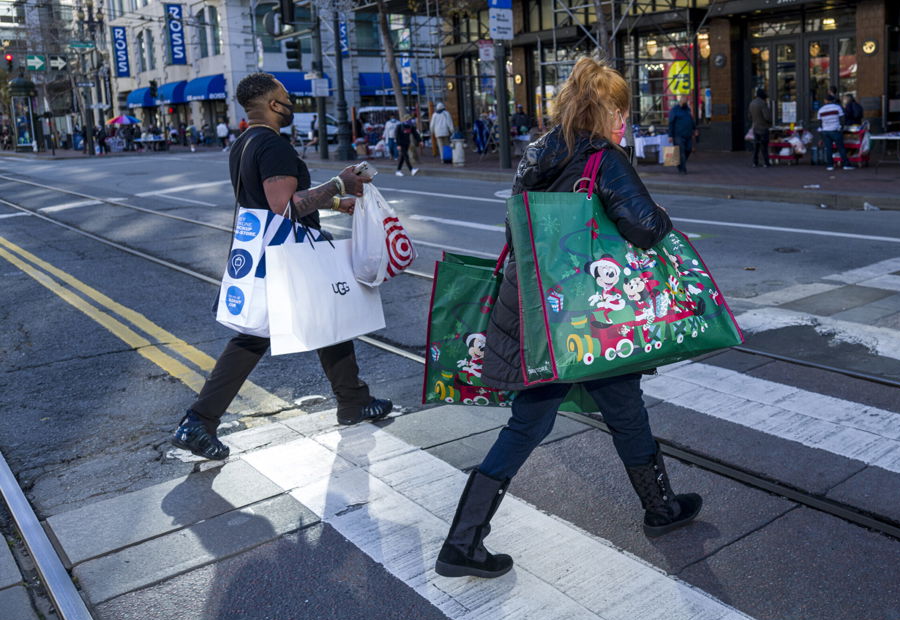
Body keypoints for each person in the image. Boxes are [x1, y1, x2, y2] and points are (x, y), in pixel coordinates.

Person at [435, 57, 702, 580]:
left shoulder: (538, 153)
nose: (626, 120)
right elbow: (646, 229)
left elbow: (518, 229)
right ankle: (660, 508)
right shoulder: (606, 158)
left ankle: (463, 541)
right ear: (607, 109)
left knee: (532, 422)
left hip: (537, 308)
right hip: (589, 315)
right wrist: (662, 213)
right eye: (622, 109)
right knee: (625, 412)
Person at [170, 72, 393, 461]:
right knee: (253, 337)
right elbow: (285, 206)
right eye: (286, 98)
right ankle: (198, 422)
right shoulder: (273, 146)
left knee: (328, 315)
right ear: (273, 104)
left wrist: (337, 205)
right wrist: (339, 186)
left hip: (265, 247)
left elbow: (272, 200)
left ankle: (353, 400)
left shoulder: (244, 143)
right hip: (284, 254)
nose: (291, 104)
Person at [817, 93, 853, 171]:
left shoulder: (820, 110)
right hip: (835, 130)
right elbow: (842, 119)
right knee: (841, 148)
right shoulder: (837, 108)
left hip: (825, 131)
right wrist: (841, 128)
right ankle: (846, 164)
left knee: (828, 148)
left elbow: (820, 123)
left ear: (825, 101)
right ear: (832, 100)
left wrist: (821, 134)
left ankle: (830, 165)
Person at [667, 98, 696, 174]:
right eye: (684, 101)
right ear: (680, 101)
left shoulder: (687, 109)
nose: (686, 102)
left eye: (686, 101)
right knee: (681, 152)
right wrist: (670, 135)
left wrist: (694, 129)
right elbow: (671, 123)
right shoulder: (674, 110)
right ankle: (682, 169)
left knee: (688, 149)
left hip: (688, 134)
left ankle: (679, 164)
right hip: (678, 135)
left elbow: (691, 120)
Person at [748, 88, 771, 167]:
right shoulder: (763, 103)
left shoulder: (751, 103)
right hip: (763, 128)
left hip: (756, 128)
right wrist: (769, 122)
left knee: (756, 147)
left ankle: (755, 162)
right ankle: (766, 162)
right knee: (764, 146)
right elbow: (767, 117)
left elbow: (749, 116)